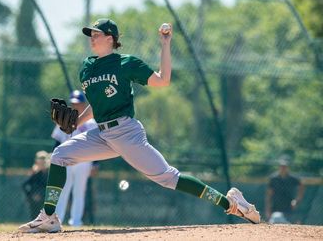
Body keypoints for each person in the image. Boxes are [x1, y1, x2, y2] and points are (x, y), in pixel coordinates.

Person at [18, 18, 260, 233]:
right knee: (60, 155)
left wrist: (165, 44)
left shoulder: (126, 63)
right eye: (90, 35)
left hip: (125, 132)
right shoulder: (87, 67)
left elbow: (162, 80)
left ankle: (233, 204)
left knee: (167, 177)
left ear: (110, 38)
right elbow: (95, 101)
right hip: (101, 134)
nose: (92, 38)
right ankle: (49, 217)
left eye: (96, 34)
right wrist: (76, 123)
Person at [51, 90, 98, 227]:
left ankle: (76, 221)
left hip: (84, 161)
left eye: (78, 103)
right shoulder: (63, 120)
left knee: (79, 191)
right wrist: (53, 159)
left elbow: (98, 145)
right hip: (66, 161)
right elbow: (57, 142)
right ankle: (57, 220)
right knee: (63, 190)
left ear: (84, 104)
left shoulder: (92, 123)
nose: (75, 105)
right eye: (73, 103)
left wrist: (96, 163)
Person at [265, 157, 304, 223]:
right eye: (281, 166)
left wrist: (296, 200)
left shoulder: (292, 178)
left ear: (288, 167)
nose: (283, 168)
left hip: (289, 206)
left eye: (285, 166)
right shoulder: (274, 178)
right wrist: (268, 209)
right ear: (279, 167)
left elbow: (301, 187)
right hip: (275, 206)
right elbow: (269, 194)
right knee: (275, 220)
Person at [22, 150, 50, 219]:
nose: (42, 161)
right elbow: (24, 185)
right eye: (40, 159)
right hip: (33, 198)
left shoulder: (49, 172)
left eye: (44, 159)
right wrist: (30, 195)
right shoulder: (34, 172)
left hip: (45, 198)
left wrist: (41, 194)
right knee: (33, 217)